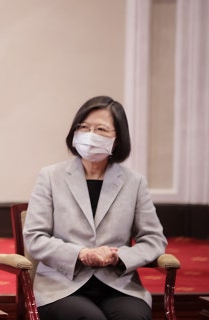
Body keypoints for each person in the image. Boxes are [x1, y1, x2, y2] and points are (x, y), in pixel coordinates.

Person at [22, 96, 167, 320]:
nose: (90, 135)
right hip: (61, 286)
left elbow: (154, 240)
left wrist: (119, 257)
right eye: (84, 127)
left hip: (118, 284)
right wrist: (81, 254)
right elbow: (35, 237)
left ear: (117, 140)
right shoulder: (51, 177)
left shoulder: (134, 182)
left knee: (133, 317)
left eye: (101, 129)